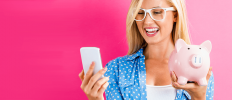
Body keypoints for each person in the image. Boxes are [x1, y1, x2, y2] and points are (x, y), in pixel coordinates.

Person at [78, 0, 214, 100]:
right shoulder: (116, 69)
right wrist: (95, 99)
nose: (147, 22)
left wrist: (199, 97)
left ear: (175, 15)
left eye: (157, 12)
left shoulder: (198, 69)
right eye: (140, 13)